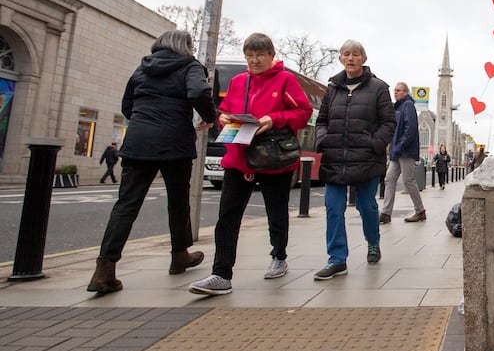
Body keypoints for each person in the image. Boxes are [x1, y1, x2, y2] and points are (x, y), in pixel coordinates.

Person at [87, 30, 217, 294]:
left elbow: (127, 105)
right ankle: (179, 255)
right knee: (178, 201)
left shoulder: (143, 68)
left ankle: (104, 269)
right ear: (186, 47)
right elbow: (199, 92)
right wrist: (209, 117)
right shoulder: (190, 66)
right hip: (174, 143)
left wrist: (143, 121)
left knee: (126, 205)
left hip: (138, 142)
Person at [189, 33, 312, 296]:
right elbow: (226, 110)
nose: (254, 60)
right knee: (228, 215)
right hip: (238, 156)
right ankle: (221, 274)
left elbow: (303, 114)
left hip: (273, 156)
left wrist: (274, 118)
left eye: (260, 55)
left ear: (271, 56)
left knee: (275, 211)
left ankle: (279, 255)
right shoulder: (237, 82)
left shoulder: (286, 80)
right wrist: (223, 119)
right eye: (250, 55)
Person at [313, 40, 395, 279]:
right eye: (346, 54)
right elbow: (322, 120)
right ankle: (337, 259)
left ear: (363, 59)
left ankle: (373, 241)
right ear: (340, 58)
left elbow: (388, 122)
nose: (351, 58)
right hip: (335, 157)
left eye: (356, 54)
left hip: (366, 158)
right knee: (333, 207)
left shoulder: (379, 88)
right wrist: (323, 141)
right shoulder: (333, 89)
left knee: (366, 205)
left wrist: (374, 144)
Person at [379, 82, 427, 224]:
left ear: (406, 92)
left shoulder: (408, 105)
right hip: (397, 151)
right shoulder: (398, 107)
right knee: (389, 179)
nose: (395, 93)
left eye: (398, 90)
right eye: (395, 90)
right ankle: (386, 213)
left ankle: (420, 211)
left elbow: (410, 129)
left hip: (405, 151)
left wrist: (400, 146)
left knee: (408, 180)